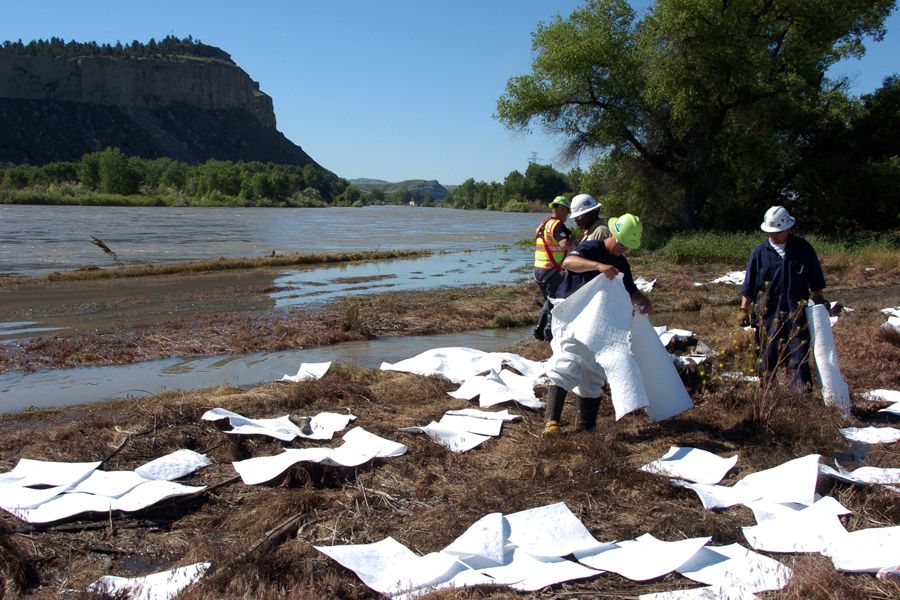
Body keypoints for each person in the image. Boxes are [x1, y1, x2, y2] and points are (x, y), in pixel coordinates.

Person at [543, 213, 652, 435]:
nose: (623, 249)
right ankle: (551, 422)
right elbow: (569, 262)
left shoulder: (622, 263)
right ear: (612, 233)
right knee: (567, 361)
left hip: (598, 323)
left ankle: (586, 428)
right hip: (573, 315)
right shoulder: (592, 247)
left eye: (628, 246)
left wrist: (643, 301)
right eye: (621, 243)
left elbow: (630, 291)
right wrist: (598, 266)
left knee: (593, 371)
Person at [738, 206, 834, 390]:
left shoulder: (803, 249)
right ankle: (767, 394)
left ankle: (799, 396)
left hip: (795, 311)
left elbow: (815, 278)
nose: (773, 236)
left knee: (798, 353)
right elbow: (749, 284)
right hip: (768, 312)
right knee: (766, 354)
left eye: (778, 232)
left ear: (788, 228)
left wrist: (820, 300)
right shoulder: (760, 252)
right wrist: (743, 309)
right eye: (770, 232)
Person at [533, 196, 572, 341]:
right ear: (561, 209)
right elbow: (564, 245)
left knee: (549, 301)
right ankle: (549, 333)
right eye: (567, 210)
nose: (567, 214)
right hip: (552, 269)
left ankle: (539, 329)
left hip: (538, 270)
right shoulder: (558, 225)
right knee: (556, 303)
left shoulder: (543, 224)